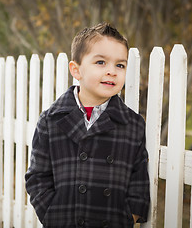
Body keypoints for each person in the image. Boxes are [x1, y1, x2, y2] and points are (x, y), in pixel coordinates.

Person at [25, 22, 150, 227]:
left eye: (120, 65)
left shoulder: (132, 124)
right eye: (101, 62)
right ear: (76, 70)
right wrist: (52, 214)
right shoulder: (51, 120)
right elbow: (38, 177)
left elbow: (138, 182)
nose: (112, 71)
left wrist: (129, 218)